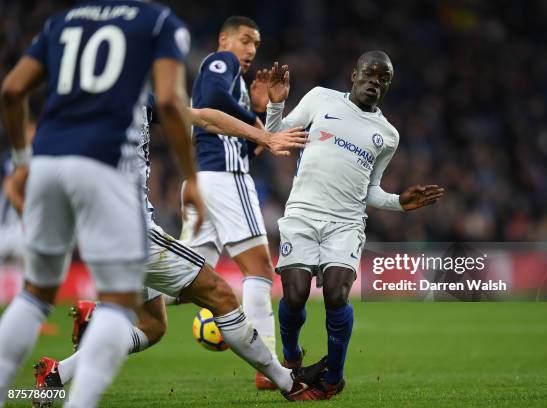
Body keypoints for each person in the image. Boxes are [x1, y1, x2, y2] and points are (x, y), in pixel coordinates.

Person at [32, 93, 323, 403]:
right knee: (219, 293)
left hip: (121, 230)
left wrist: (263, 135)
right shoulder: (101, 102)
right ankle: (288, 383)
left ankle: (55, 374)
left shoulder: (140, 97)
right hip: (127, 229)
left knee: (152, 325)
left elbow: (203, 118)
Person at [0, 2, 204, 407]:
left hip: (48, 162)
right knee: (116, 304)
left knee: (34, 296)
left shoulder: (62, 22)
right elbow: (167, 100)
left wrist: (23, 162)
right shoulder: (158, 21)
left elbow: (11, 89)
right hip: (104, 164)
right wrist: (192, 176)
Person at [263, 51, 445, 399]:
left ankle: (333, 377)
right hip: (301, 213)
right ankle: (290, 357)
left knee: (335, 294)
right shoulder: (319, 98)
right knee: (296, 295)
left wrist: (398, 203)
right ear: (354, 74)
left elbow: (370, 190)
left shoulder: (387, 135)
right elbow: (277, 136)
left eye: (384, 78)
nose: (375, 82)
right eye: (370, 74)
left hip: (345, 223)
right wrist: (275, 106)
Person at [180, 16, 282, 390]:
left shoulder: (237, 84)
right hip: (225, 179)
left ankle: (100, 312)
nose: (251, 49)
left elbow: (250, 148)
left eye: (255, 43)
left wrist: (257, 113)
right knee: (259, 269)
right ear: (225, 39)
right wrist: (254, 119)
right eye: (245, 40)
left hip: (209, 179)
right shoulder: (218, 63)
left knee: (185, 279)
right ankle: (268, 367)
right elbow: (213, 100)